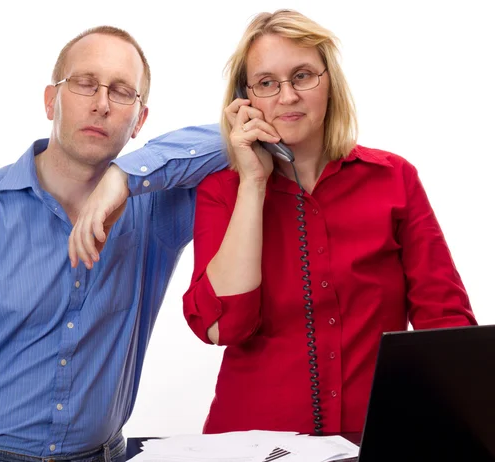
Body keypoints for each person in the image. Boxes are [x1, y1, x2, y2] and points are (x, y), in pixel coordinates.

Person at [0, 26, 226, 462]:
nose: (102, 103)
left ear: (140, 121)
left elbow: (246, 139)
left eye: (122, 92)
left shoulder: (155, 211)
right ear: (51, 100)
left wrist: (125, 176)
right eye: (85, 83)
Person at [181, 9, 477, 435]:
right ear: (245, 101)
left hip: (376, 436)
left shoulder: (394, 179)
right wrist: (253, 184)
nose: (287, 97)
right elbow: (223, 326)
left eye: (302, 75)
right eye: (267, 83)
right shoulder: (222, 192)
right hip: (252, 445)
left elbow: (445, 322)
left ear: (329, 83)